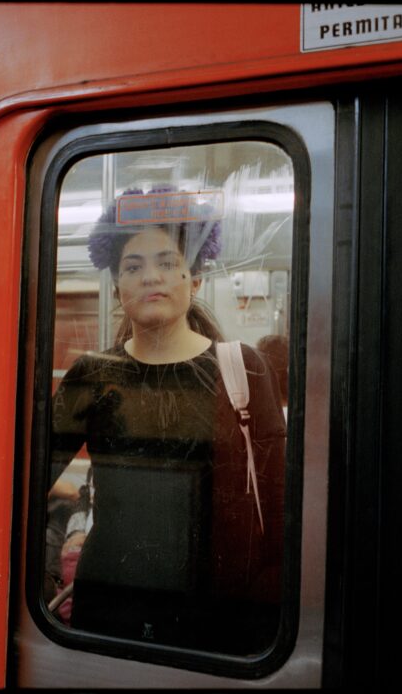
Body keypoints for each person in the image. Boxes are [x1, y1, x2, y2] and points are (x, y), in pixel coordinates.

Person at [49, 187, 286, 655]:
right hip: (108, 602)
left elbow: (279, 503)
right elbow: (24, 477)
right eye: (132, 267)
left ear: (193, 278)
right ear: (117, 284)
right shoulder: (92, 375)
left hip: (215, 612)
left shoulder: (244, 369)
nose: (149, 277)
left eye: (166, 262)